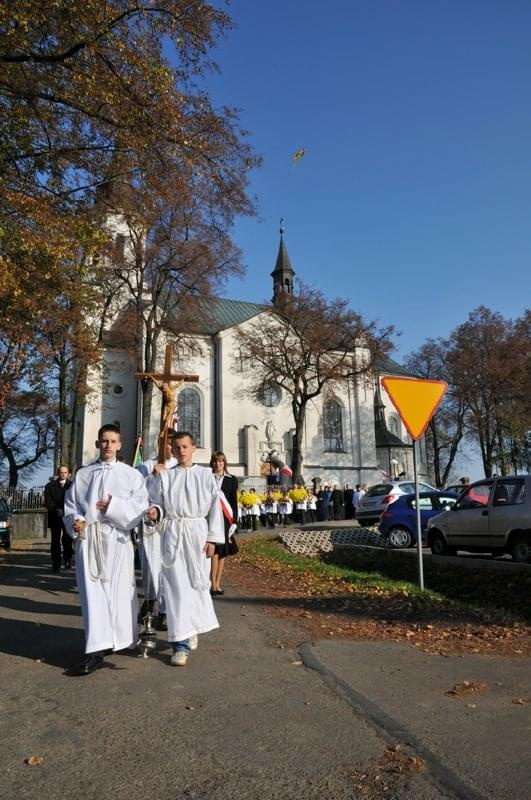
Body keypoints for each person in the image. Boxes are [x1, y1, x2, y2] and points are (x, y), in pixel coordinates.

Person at [64, 424, 149, 675]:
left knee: (119, 593)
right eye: (104, 441)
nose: (108, 445)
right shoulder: (83, 475)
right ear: (98, 444)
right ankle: (95, 649)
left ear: (120, 445)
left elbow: (139, 507)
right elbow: (72, 506)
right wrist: (75, 522)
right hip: (90, 539)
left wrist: (113, 506)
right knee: (93, 596)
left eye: (113, 441)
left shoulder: (130, 475)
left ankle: (118, 639)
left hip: (117, 540)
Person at [145, 431, 225, 667]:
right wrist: (154, 512)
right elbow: (156, 504)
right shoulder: (166, 477)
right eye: (176, 447)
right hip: (173, 534)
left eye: (185, 446)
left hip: (197, 534)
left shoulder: (205, 475)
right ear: (171, 449)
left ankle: (191, 628)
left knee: (196, 585)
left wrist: (213, 539)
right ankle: (179, 644)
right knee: (175, 587)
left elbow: (215, 508)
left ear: (193, 448)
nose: (181, 451)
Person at [136, 436, 178, 629]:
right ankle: (150, 601)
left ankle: (164, 611)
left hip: (172, 524)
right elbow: (135, 492)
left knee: (168, 568)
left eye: (171, 444)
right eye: (165, 444)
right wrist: (151, 475)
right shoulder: (146, 466)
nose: (168, 447)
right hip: (151, 524)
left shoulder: (178, 466)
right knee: (151, 567)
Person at [210, 450, 238, 596]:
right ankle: (212, 583)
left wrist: (235, 521)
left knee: (223, 552)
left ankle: (218, 583)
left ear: (224, 463)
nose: (218, 463)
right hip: (211, 518)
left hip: (226, 519)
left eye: (220, 461)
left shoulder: (231, 479)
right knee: (214, 550)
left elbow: (233, 501)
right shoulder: (207, 477)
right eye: (215, 461)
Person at [44, 465, 73, 572]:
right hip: (55, 516)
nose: (63, 474)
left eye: (65, 472)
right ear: (58, 473)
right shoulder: (50, 486)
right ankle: (55, 563)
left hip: (68, 515)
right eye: (61, 472)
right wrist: (56, 509)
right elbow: (48, 500)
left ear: (68, 473)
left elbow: (74, 500)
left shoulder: (72, 485)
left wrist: (66, 510)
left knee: (67, 539)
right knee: (55, 540)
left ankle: (67, 559)